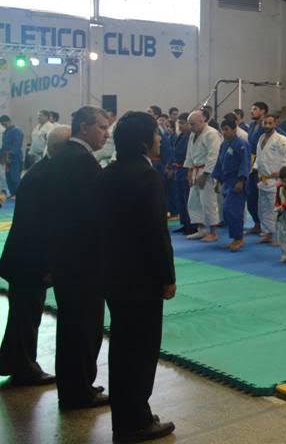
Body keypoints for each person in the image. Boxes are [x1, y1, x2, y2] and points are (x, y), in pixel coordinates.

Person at [98, 111, 176, 441]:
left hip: (114, 273)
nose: (160, 138)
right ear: (145, 140)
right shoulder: (147, 176)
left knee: (122, 348)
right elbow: (156, 233)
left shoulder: (109, 172)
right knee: (141, 350)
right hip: (141, 277)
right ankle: (136, 421)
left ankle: (127, 415)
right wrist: (167, 277)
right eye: (157, 134)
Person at [49, 106, 111, 409]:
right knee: (84, 328)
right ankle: (79, 390)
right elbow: (93, 216)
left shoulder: (63, 158)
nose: (106, 133)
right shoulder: (82, 162)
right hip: (83, 262)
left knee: (72, 327)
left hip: (65, 257)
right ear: (85, 128)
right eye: (101, 127)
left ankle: (73, 387)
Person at [0, 125, 69, 386]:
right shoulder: (46, 176)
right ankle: (23, 366)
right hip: (29, 258)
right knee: (26, 315)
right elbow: (42, 225)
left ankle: (13, 360)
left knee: (24, 314)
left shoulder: (42, 171)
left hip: (24, 256)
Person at [253, 114, 286, 245]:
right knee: (263, 209)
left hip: (275, 180)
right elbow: (259, 157)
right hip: (263, 179)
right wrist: (255, 168)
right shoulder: (261, 138)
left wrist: (282, 173)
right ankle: (268, 233)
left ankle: (279, 236)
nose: (267, 126)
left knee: (276, 209)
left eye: (269, 123)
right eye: (265, 123)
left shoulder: (281, 139)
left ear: (275, 124)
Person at [211, 118, 251, 252]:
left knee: (234, 210)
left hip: (237, 181)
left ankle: (239, 238)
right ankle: (235, 237)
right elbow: (219, 163)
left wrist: (241, 180)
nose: (225, 132)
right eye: (223, 130)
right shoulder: (224, 144)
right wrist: (217, 180)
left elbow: (245, 163)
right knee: (227, 211)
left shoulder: (242, 144)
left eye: (227, 129)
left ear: (234, 129)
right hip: (226, 181)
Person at [184, 110, 222, 242]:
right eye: (189, 124)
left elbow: (214, 156)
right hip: (195, 170)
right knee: (193, 202)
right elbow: (189, 153)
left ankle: (213, 232)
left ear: (202, 121)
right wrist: (189, 170)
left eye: (193, 124)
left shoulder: (212, 134)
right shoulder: (193, 134)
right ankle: (202, 229)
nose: (190, 126)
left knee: (208, 201)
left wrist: (205, 174)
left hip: (207, 172)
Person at [244, 102, 268, 236]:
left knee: (263, 197)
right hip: (251, 164)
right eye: (252, 108)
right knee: (251, 195)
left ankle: (267, 226)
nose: (251, 111)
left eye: (255, 109)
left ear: (263, 111)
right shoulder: (252, 125)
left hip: (263, 165)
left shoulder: (268, 126)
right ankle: (257, 223)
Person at [170, 114, 193, 233]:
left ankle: (191, 225)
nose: (180, 125)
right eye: (179, 123)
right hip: (178, 170)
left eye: (182, 123)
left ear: (188, 124)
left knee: (187, 198)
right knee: (180, 198)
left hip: (185, 169)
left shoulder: (191, 136)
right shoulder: (180, 135)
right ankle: (184, 222)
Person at [0, 115, 24, 197]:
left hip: (15, 158)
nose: (4, 126)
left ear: (9, 121)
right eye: (2, 125)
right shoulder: (5, 132)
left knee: (15, 178)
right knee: (8, 178)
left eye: (5, 124)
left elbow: (17, 145)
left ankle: (19, 194)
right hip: (6, 159)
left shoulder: (17, 131)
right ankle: (13, 193)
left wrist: (9, 154)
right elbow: (4, 146)